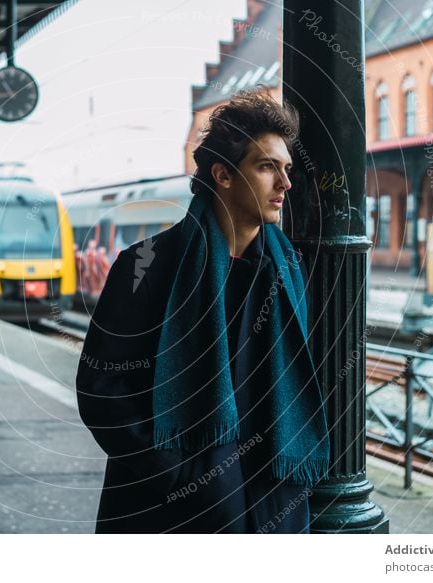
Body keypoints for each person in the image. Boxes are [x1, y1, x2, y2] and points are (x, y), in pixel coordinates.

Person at [76, 89, 329, 533]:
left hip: (271, 508)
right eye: (268, 166)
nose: (285, 184)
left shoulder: (288, 271)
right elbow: (102, 387)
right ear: (224, 176)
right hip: (173, 514)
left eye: (287, 169)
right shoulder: (146, 265)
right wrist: (177, 474)